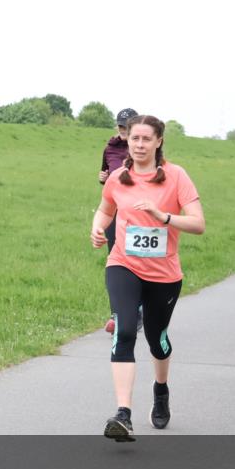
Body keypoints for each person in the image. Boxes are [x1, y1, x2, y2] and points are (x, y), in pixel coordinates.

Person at [90, 115, 205, 441]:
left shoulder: (176, 176)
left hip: (164, 274)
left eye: (145, 139)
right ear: (127, 140)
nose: (139, 144)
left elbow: (198, 224)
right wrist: (97, 228)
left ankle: (161, 389)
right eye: (134, 138)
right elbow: (105, 210)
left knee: (157, 339)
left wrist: (163, 216)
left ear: (158, 142)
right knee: (125, 330)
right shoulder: (118, 177)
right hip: (123, 265)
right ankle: (123, 414)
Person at [99, 108, 139, 334]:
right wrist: (102, 178)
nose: (123, 130)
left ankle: (138, 310)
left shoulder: (141, 148)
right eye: (121, 125)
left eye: (128, 126)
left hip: (138, 213)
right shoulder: (110, 148)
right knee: (115, 262)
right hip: (115, 211)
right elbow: (106, 175)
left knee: (137, 260)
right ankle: (117, 315)